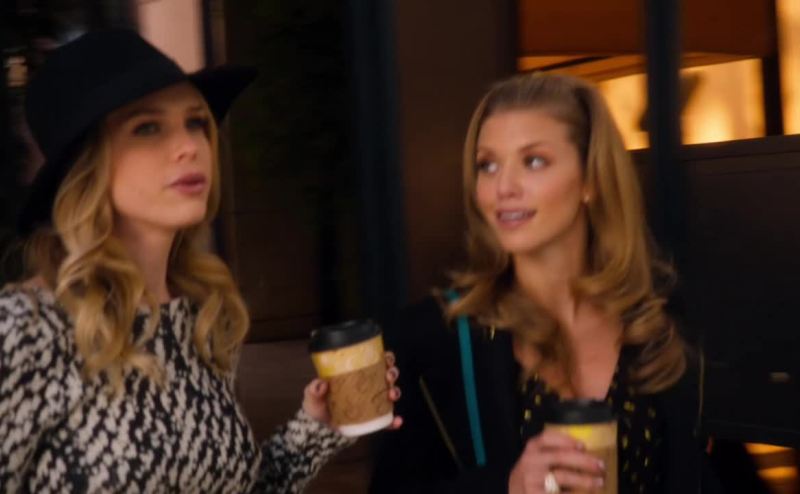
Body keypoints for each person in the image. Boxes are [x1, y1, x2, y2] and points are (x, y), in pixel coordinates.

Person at [0, 29, 400, 493]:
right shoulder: (25, 331)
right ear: (86, 166)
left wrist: (319, 426)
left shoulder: (199, 315)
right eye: (147, 127)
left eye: (195, 122)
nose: (189, 145)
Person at [370, 72, 718, 493]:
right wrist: (507, 487)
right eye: (487, 165)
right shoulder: (434, 338)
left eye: (533, 161)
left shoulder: (662, 322)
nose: (503, 187)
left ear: (591, 179)